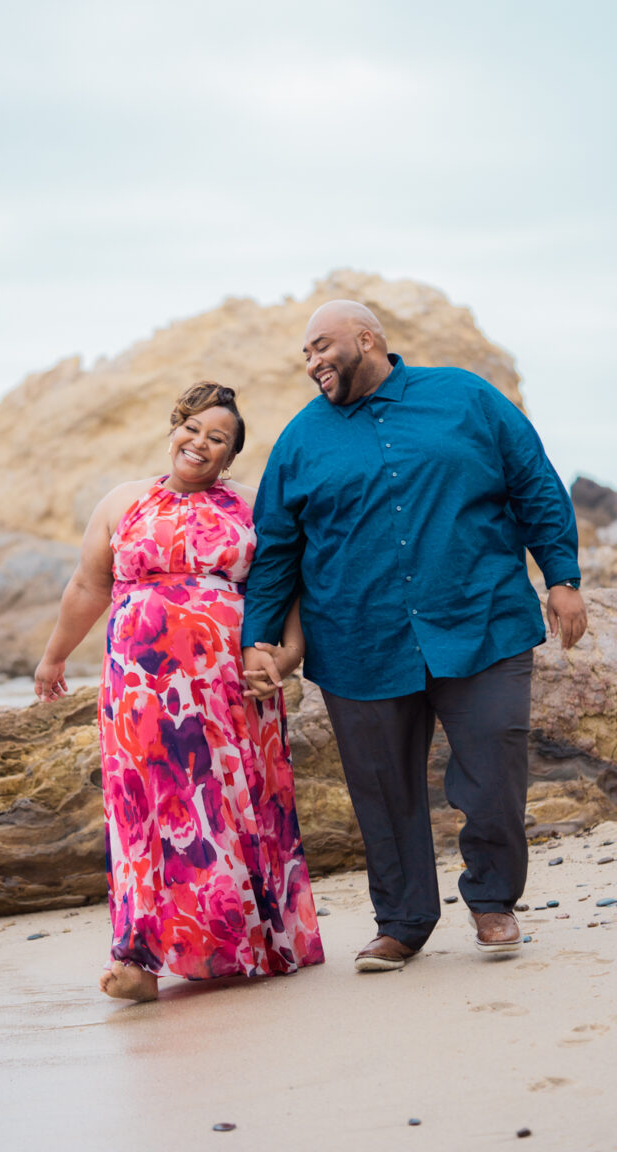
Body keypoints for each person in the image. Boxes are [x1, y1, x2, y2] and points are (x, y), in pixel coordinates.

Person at [241, 301, 587, 973]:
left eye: (320, 347)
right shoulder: (300, 441)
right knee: (382, 791)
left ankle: (492, 903)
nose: (311, 362)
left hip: (480, 621)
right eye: (303, 355)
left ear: (366, 338)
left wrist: (562, 576)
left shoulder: (464, 396)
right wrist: (260, 636)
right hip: (357, 640)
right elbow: (277, 548)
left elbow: (534, 482)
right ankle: (403, 922)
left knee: (494, 772)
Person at [35, 381, 324, 1001]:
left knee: (226, 806)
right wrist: (54, 656)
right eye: (191, 429)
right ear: (174, 429)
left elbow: (284, 589)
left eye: (217, 438)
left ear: (230, 454)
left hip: (227, 687)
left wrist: (286, 653)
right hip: (139, 692)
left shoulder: (252, 506)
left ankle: (244, 943)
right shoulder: (123, 501)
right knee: (145, 813)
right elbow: (88, 586)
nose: (199, 443)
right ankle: (139, 960)